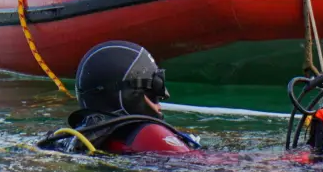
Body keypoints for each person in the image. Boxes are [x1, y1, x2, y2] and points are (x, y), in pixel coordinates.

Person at [37, 41, 201, 155]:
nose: (165, 95)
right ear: (129, 94)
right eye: (155, 88)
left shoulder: (78, 138)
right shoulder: (150, 133)